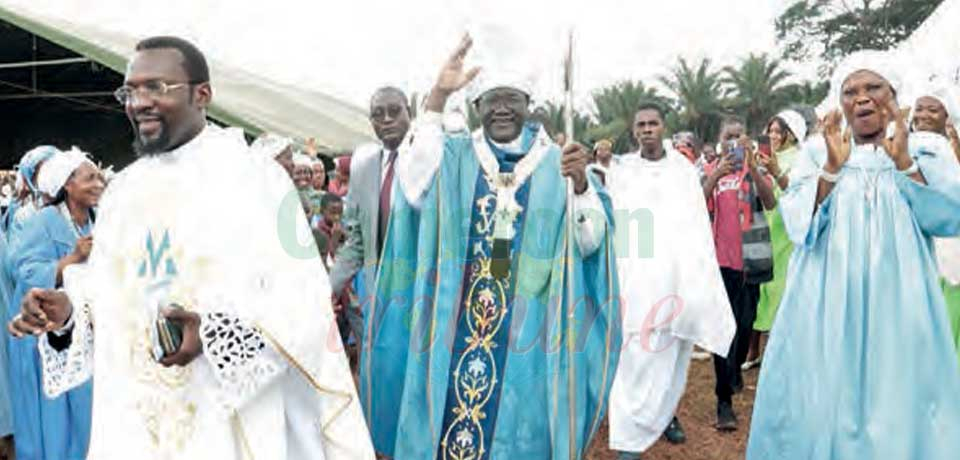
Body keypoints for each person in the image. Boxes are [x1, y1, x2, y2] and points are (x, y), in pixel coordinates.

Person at [7, 36, 372, 460]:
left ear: (203, 95)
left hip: (225, 412)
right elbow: (112, 289)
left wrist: (215, 334)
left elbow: (302, 298)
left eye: (156, 87)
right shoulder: (124, 192)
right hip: (137, 419)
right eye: (130, 90)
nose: (138, 102)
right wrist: (68, 311)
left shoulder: (255, 180)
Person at [388, 34, 620, 460]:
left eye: (510, 98)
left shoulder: (560, 163)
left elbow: (589, 245)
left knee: (522, 437)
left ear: (528, 104)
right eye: (490, 100)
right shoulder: (456, 157)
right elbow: (414, 185)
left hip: (529, 340)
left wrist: (583, 186)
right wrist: (438, 95)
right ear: (477, 108)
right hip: (455, 325)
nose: (500, 108)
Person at [747, 51, 960, 460]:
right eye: (851, 91)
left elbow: (947, 217)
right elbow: (799, 224)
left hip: (900, 303)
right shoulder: (817, 152)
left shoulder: (926, 149)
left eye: (873, 88)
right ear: (839, 102)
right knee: (826, 398)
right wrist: (831, 168)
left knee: (897, 397)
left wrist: (903, 163)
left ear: (895, 97)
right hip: (826, 301)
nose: (862, 99)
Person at [606, 104, 735, 460]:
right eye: (641, 124)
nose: (647, 129)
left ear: (664, 127)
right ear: (634, 132)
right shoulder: (623, 171)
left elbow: (693, 225)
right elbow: (620, 225)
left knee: (665, 364)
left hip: (674, 280)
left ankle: (664, 418)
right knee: (632, 364)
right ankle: (626, 446)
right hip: (635, 280)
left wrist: (689, 278)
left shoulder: (681, 170)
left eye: (653, 123)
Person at [328, 86, 413, 448]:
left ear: (411, 112)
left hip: (423, 297)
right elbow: (358, 241)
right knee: (381, 382)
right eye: (378, 113)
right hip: (378, 296)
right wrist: (323, 290)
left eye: (395, 110)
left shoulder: (431, 161)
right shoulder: (364, 167)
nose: (387, 119)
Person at [7, 147, 102, 460]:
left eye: (99, 176)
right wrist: (73, 260)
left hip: (92, 333)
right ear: (67, 184)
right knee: (57, 416)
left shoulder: (100, 218)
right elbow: (25, 270)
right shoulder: (41, 221)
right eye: (89, 178)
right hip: (49, 338)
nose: (99, 183)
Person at [701, 116, 776, 431]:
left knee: (745, 326)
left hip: (752, 261)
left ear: (745, 138)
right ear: (721, 140)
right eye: (728, 136)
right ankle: (723, 403)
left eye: (738, 135)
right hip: (721, 263)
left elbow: (770, 201)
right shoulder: (712, 170)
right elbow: (696, 202)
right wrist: (716, 174)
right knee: (723, 330)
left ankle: (733, 370)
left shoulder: (754, 167)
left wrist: (754, 168)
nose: (733, 140)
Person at [743, 109, 809, 369]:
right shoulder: (764, 156)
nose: (772, 136)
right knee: (760, 286)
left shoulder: (799, 159)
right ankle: (754, 352)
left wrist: (775, 170)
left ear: (791, 135)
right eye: (769, 131)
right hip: (763, 223)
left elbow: (793, 191)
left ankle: (777, 351)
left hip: (786, 227)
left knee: (779, 285)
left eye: (778, 132)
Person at [909, 77, 960, 365]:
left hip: (952, 249)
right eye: (920, 108)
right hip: (917, 247)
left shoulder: (950, 150)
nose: (924, 115)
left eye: (933, 110)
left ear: (947, 117)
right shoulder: (902, 145)